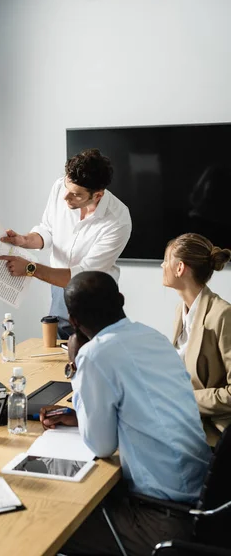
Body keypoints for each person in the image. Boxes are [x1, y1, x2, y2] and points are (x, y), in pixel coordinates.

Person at [40, 271, 211, 556]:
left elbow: (101, 446)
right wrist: (83, 415)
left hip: (161, 521)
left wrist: (75, 365)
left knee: (44, 524)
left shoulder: (95, 354)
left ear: (73, 322)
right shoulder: (153, 337)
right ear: (121, 299)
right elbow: (141, 405)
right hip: (200, 501)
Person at [0, 149, 132, 338]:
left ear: (98, 195)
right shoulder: (61, 187)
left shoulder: (118, 220)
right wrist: (24, 240)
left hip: (95, 293)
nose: (65, 197)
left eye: (76, 194)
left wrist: (30, 269)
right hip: (58, 286)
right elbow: (48, 230)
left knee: (96, 352)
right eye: (67, 187)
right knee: (60, 350)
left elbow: (83, 274)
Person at [162, 233, 231, 428]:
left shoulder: (222, 315)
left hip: (212, 426)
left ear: (180, 268)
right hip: (183, 415)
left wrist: (184, 399)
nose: (162, 266)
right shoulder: (181, 309)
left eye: (166, 260)